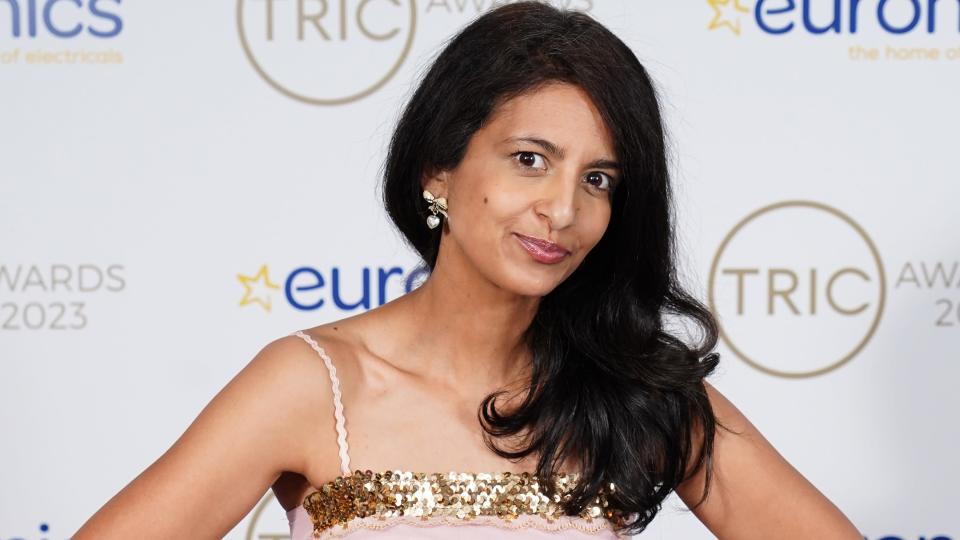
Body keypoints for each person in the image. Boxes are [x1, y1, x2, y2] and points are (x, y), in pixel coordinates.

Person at [73, 3, 862, 539]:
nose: (563, 209)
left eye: (599, 180)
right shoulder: (314, 385)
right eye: (530, 160)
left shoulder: (639, 395)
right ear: (438, 170)